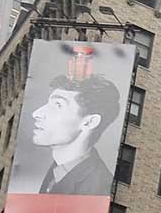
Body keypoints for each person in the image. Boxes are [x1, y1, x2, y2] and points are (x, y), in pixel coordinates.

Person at [14, 61, 123, 197]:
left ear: (89, 122)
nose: (36, 113)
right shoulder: (58, 169)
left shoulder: (98, 187)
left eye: (57, 105)